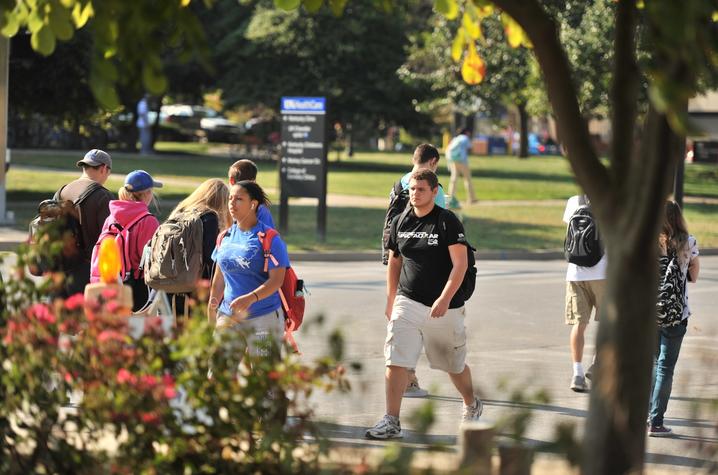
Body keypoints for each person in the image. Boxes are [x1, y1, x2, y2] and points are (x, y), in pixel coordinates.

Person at [365, 169, 481, 440]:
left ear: (434, 191)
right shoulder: (401, 220)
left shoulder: (447, 221)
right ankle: (391, 420)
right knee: (395, 359)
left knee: (452, 364)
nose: (415, 194)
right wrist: (391, 298)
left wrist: (444, 298)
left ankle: (471, 404)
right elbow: (395, 261)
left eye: (421, 190)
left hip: (444, 307)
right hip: (408, 301)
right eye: (412, 190)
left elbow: (460, 264)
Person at [390, 143, 448, 398]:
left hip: (399, 253)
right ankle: (410, 377)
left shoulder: (398, 183)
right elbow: (443, 223)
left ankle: (406, 375)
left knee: (401, 315)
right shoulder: (436, 188)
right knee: (419, 318)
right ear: (433, 161)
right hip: (424, 261)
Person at [208, 181, 289, 363]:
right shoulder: (224, 237)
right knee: (218, 374)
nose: (231, 203)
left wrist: (250, 298)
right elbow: (218, 281)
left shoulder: (270, 238)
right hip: (228, 316)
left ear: (253, 204)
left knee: (263, 380)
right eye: (230, 198)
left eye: (239, 199)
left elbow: (276, 281)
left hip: (264, 316)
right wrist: (212, 311)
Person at [648, 201, 700, 437]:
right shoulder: (688, 243)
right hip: (676, 315)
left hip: (647, 314)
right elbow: (694, 276)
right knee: (665, 369)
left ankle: (646, 415)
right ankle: (656, 422)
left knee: (651, 366)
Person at [90, 170, 161, 311]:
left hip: (110, 281)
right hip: (137, 287)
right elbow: (151, 260)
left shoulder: (112, 217)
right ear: (146, 193)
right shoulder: (148, 221)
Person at [164, 178, 231, 318]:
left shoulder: (181, 211)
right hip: (194, 289)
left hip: (169, 284)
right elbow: (211, 258)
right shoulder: (209, 218)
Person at [55, 149, 114, 297]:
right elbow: (109, 238)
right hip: (87, 272)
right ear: (104, 169)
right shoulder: (103, 196)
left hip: (60, 267)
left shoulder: (61, 192)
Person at [563, 194, 606, 392]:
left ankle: (577, 374)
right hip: (603, 272)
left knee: (579, 324)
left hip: (575, 272)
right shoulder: (611, 200)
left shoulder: (574, 201)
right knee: (608, 322)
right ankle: (597, 364)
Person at [228, 159, 275, 227]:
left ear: (231, 181)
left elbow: (268, 235)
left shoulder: (259, 209)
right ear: (253, 181)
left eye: (239, 199)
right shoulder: (261, 209)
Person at [446, 128, 478, 207]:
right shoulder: (465, 138)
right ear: (466, 132)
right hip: (462, 160)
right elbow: (470, 148)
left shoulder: (455, 139)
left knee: (454, 179)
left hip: (453, 160)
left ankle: (450, 198)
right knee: (467, 179)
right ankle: (472, 198)